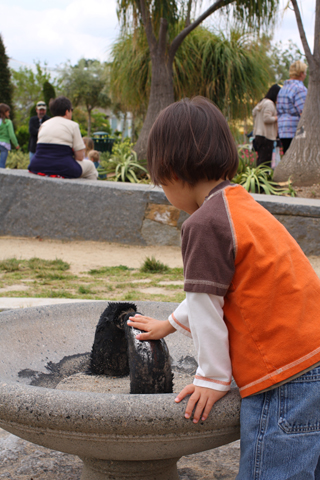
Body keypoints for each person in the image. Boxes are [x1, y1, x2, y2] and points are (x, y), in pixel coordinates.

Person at [127, 96, 320, 479]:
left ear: (173, 172)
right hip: (311, 357)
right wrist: (169, 323)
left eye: (159, 181)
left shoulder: (202, 224)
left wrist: (211, 378)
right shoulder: (239, 205)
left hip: (284, 377)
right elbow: (220, 290)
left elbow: (205, 306)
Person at [28, 96, 98, 180]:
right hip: (62, 167)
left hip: (37, 165)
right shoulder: (73, 125)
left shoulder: (44, 124)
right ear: (67, 111)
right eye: (71, 110)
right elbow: (80, 157)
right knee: (90, 166)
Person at [277, 60, 308, 154]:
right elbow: (304, 112)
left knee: (287, 156)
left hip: (283, 129)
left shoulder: (282, 89)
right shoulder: (300, 89)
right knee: (299, 157)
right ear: (301, 74)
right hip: (296, 129)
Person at [252, 84, 281, 167]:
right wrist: (277, 118)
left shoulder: (261, 102)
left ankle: (258, 178)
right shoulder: (269, 104)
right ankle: (263, 178)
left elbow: (253, 113)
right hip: (266, 136)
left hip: (258, 134)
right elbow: (266, 118)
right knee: (265, 161)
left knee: (261, 159)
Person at [0, 103, 20, 168]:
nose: (9, 114)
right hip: (4, 144)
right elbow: (12, 135)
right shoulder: (8, 122)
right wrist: (16, 144)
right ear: (4, 112)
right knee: (1, 165)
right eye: (8, 112)